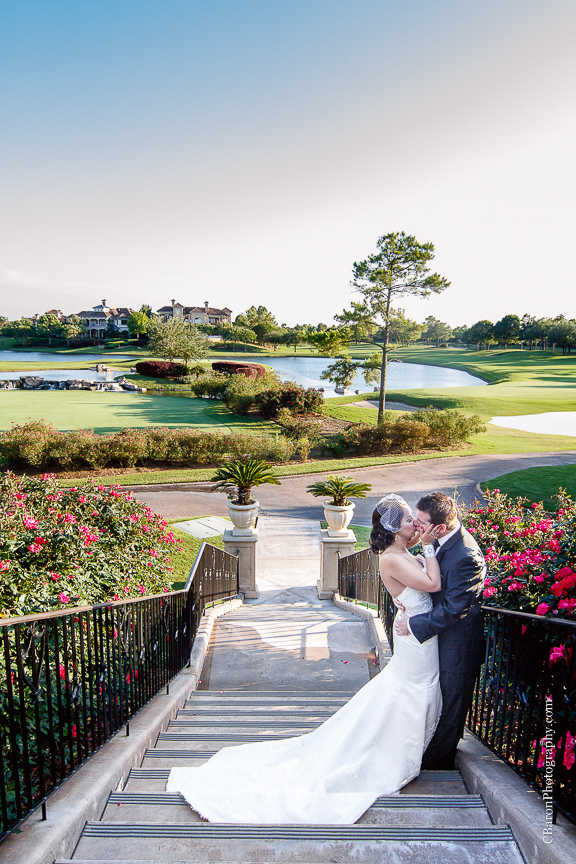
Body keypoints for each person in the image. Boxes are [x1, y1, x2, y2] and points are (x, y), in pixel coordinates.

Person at [167, 494, 443, 825]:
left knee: (406, 691)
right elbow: (433, 583)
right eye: (410, 520)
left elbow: (420, 583)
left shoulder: (402, 551)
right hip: (415, 639)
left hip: (417, 633)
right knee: (411, 690)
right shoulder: (393, 557)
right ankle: (393, 755)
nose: (416, 524)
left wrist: (420, 565)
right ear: (396, 531)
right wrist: (427, 550)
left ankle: (400, 747)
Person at [394, 492, 486, 770]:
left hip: (457, 647)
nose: (416, 527)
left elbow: (454, 609)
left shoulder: (466, 555)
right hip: (437, 641)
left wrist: (412, 624)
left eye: (421, 523)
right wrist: (407, 598)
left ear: (440, 528)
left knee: (450, 710)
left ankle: (436, 765)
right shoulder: (438, 541)